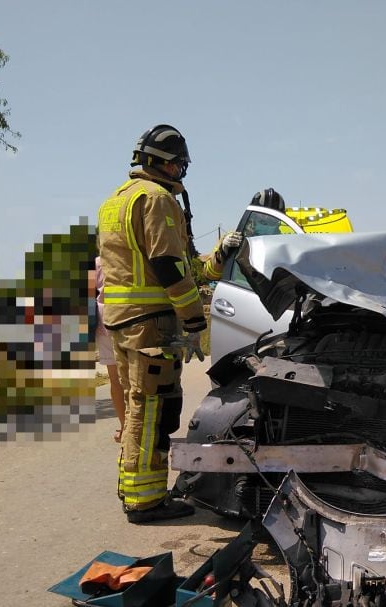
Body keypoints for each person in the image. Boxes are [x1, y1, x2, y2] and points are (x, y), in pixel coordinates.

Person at [97, 124, 243, 523]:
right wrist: (195, 320)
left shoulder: (116, 200)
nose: (182, 173)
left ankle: (133, 489)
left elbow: (187, 266)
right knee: (153, 413)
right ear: (166, 163)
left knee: (137, 408)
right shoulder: (157, 199)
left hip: (123, 323)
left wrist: (220, 255)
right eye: (180, 165)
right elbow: (168, 266)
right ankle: (146, 502)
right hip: (151, 327)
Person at [94, 256, 127, 443]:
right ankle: (137, 423)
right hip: (128, 318)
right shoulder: (128, 255)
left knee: (115, 380)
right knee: (133, 377)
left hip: (103, 320)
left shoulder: (97, 262)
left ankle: (124, 427)